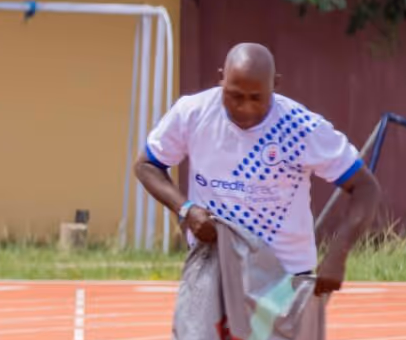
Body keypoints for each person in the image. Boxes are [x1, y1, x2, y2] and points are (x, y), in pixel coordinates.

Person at [134, 42, 381, 287]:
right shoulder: (192, 113)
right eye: (235, 96)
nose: (245, 107)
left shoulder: (302, 128)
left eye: (256, 98)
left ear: (275, 84)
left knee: (270, 328)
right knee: (196, 329)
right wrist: (186, 209)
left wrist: (339, 253)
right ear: (221, 78)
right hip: (212, 270)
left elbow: (365, 187)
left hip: (284, 275)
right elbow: (146, 165)